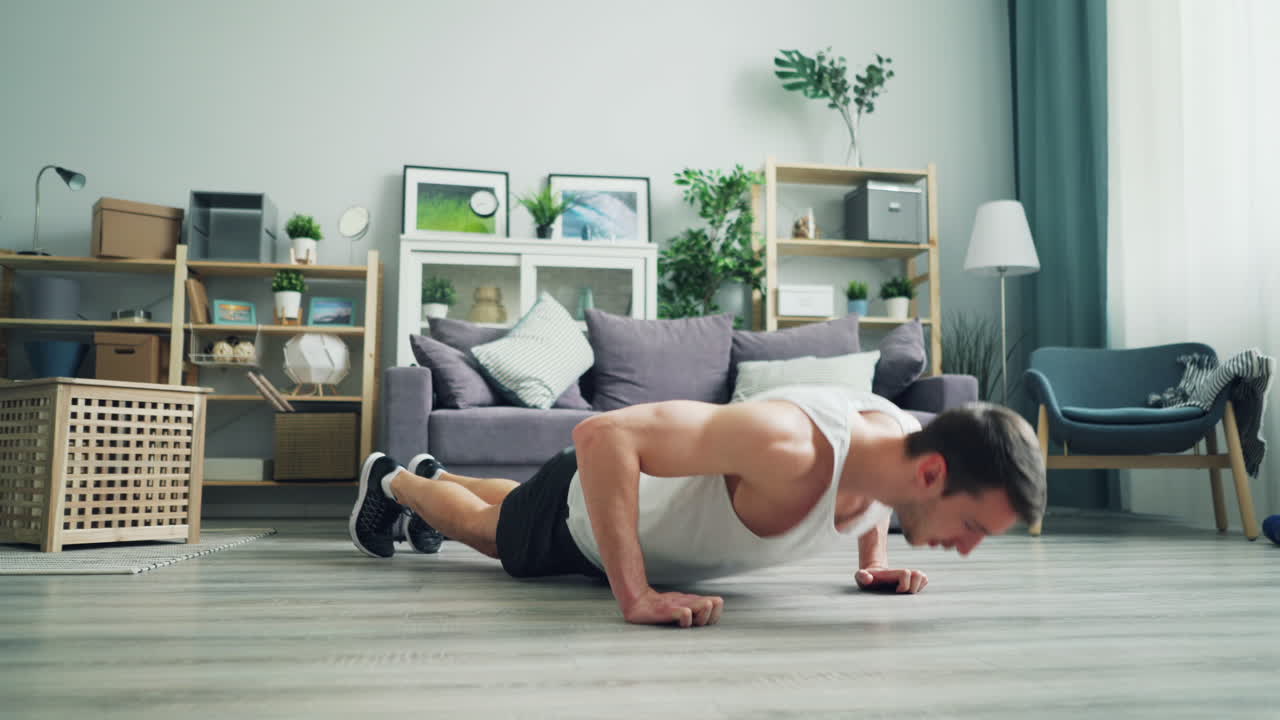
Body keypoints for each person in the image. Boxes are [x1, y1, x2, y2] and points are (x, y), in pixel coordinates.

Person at [349, 385, 1046, 628]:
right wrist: (636, 594)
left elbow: (873, 497)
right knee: (492, 533)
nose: (969, 548)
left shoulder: (896, 435)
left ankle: (437, 473)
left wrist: (875, 561)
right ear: (932, 474)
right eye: (975, 526)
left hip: (598, 500)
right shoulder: (790, 445)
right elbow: (603, 435)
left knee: (526, 500)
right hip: (598, 518)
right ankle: (396, 484)